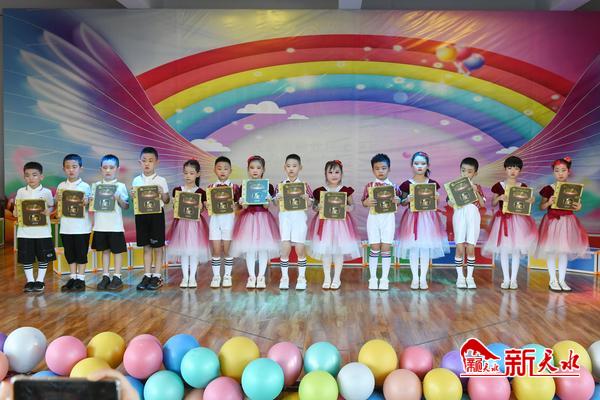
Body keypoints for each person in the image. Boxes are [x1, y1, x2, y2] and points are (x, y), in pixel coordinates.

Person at [482, 156, 537, 290]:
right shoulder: (499, 186)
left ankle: (514, 280)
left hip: (519, 221)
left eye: (516, 168)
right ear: (505, 169)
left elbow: (526, 203)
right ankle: (506, 279)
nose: (513, 171)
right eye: (510, 168)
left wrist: (531, 200)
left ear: (520, 170)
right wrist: (500, 198)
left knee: (516, 251)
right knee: (504, 250)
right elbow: (493, 203)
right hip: (502, 220)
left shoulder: (522, 186)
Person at [397, 151, 450, 290]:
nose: (419, 166)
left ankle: (423, 278)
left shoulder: (432, 184)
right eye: (416, 163)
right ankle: (415, 279)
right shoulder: (407, 184)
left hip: (428, 219)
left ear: (427, 165)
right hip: (411, 219)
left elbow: (435, 204)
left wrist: (437, 198)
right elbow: (402, 202)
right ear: (412, 165)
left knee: (425, 249)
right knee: (414, 249)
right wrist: (406, 199)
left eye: (423, 163)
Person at [537, 157, 589, 291]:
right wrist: (549, 202)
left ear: (568, 172)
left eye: (563, 170)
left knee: (563, 252)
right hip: (552, 222)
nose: (560, 173)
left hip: (567, 222)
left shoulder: (573, 189)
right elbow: (541, 207)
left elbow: (576, 206)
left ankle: (562, 280)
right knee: (551, 251)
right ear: (553, 172)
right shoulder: (548, 189)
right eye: (557, 170)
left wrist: (578, 207)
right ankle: (552, 280)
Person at [309, 160, 360, 289]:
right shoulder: (320, 191)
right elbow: (314, 207)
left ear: (341, 174)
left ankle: (336, 278)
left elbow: (352, 205)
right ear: (325, 174)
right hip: (325, 224)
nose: (334, 175)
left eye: (337, 172)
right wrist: (318, 207)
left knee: (338, 251)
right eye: (330, 172)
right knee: (326, 252)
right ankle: (327, 278)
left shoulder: (345, 191)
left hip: (341, 225)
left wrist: (349, 208)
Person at [230, 156, 280, 289]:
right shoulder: (244, 186)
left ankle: (261, 276)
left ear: (263, 170)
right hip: (248, 219)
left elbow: (266, 206)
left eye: (258, 168)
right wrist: (243, 203)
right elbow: (243, 207)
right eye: (252, 168)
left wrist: (267, 200)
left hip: (263, 219)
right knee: (249, 250)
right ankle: (252, 276)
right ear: (248, 170)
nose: (255, 170)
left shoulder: (268, 186)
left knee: (263, 249)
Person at [13, 161, 56, 292]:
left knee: (44, 257)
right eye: (27, 175)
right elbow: (16, 209)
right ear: (24, 177)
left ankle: (40, 281)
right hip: (24, 232)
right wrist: (15, 212)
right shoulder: (21, 191)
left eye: (34, 175)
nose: (31, 178)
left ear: (41, 176)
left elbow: (51, 206)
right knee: (27, 258)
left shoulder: (47, 192)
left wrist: (49, 211)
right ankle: (30, 280)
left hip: (43, 232)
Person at [167, 159, 211, 288]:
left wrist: (201, 207)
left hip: (195, 225)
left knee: (194, 252)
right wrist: (175, 203)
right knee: (184, 252)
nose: (188, 176)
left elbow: (203, 210)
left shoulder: (201, 192)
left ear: (197, 174)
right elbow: (175, 208)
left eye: (191, 173)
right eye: (186, 173)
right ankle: (185, 277)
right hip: (181, 224)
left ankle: (192, 278)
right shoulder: (177, 190)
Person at [361, 154, 401, 291]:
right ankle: (372, 278)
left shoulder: (394, 186)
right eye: (377, 168)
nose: (380, 171)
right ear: (373, 170)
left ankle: (384, 279)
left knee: (386, 248)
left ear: (389, 169)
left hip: (388, 220)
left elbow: (401, 200)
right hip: (373, 219)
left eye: (383, 168)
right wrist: (367, 202)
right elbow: (363, 202)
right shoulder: (369, 186)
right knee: (374, 247)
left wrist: (398, 200)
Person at [132, 147, 170, 291]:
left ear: (156, 162)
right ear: (140, 162)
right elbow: (135, 201)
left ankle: (157, 275)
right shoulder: (136, 180)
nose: (147, 163)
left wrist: (162, 193)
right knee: (146, 246)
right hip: (141, 216)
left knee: (158, 247)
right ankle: (147, 275)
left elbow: (167, 200)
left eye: (150, 160)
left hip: (156, 215)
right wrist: (133, 195)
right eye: (144, 161)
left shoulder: (161, 180)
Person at [90, 154, 129, 291]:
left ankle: (117, 276)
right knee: (105, 251)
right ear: (101, 169)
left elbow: (126, 206)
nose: (108, 170)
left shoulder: (120, 186)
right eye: (105, 167)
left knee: (117, 252)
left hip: (115, 226)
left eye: (111, 168)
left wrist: (118, 199)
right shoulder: (96, 186)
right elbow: (91, 205)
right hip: (100, 225)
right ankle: (105, 275)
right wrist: (90, 200)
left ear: (117, 169)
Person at [275, 154, 313, 290]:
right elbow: (274, 203)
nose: (291, 169)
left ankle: (301, 278)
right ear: (284, 167)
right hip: (285, 218)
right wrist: (277, 199)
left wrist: (307, 199)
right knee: (284, 248)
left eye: (294, 166)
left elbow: (311, 204)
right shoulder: (280, 185)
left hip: (299, 219)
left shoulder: (305, 186)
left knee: (300, 248)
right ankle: (284, 277)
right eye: (288, 166)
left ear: (300, 168)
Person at [448, 157, 486, 289]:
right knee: (459, 246)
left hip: (473, 216)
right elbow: (449, 202)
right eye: (463, 170)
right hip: (459, 215)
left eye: (469, 171)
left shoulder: (477, 187)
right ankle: (460, 277)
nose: (465, 174)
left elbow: (482, 204)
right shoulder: (454, 186)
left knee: (470, 247)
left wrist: (476, 191)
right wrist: (453, 200)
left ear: (475, 173)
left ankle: (470, 277)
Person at [57, 154, 92, 292]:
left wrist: (87, 202)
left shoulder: (85, 186)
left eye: (74, 167)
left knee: (81, 254)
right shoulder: (61, 186)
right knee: (69, 253)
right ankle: (72, 277)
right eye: (68, 167)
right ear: (64, 169)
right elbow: (57, 204)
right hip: (66, 227)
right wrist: (57, 199)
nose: (71, 170)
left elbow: (91, 206)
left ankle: (81, 279)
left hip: (82, 227)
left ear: (80, 168)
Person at [207, 156, 240, 288]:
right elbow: (208, 206)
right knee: (215, 251)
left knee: (227, 250)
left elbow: (239, 206)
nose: (222, 171)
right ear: (215, 170)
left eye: (226, 169)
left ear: (230, 171)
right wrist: (208, 205)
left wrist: (236, 207)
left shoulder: (235, 187)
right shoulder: (211, 187)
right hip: (215, 222)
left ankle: (227, 276)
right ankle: (216, 276)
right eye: (219, 168)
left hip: (229, 222)